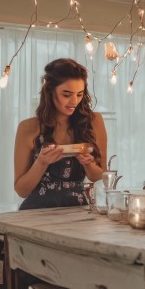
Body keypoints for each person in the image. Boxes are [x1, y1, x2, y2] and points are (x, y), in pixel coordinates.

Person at [14, 58, 108, 210]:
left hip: (78, 213)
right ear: (50, 91)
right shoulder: (28, 127)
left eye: (79, 94)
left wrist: (88, 163)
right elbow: (21, 190)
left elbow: (100, 177)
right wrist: (41, 162)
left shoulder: (94, 121)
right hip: (36, 214)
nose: (74, 101)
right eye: (66, 94)